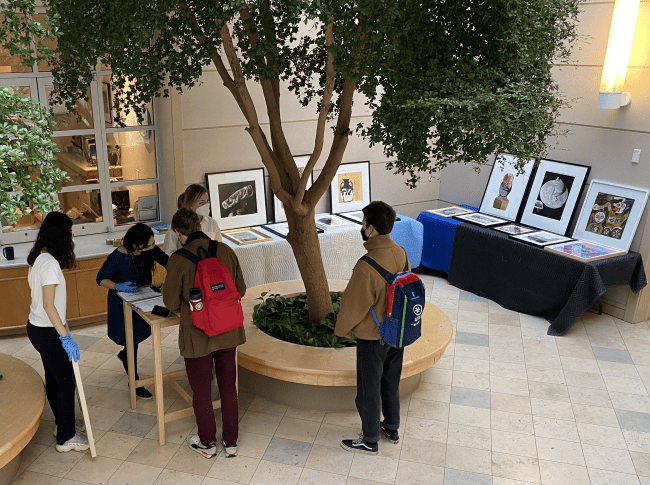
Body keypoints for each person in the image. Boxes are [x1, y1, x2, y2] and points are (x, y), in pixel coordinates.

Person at [163, 208, 246, 459]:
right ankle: (230, 442)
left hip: (198, 334)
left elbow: (169, 302)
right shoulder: (225, 250)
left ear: (178, 233)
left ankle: (207, 443)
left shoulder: (177, 260)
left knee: (201, 391)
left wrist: (193, 311)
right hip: (228, 330)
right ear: (200, 225)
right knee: (228, 387)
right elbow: (240, 288)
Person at [334, 201, 408, 455]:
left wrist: (340, 331)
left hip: (373, 336)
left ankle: (369, 439)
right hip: (397, 331)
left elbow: (353, 305)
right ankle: (392, 427)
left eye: (363, 222)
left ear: (372, 228)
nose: (361, 226)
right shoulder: (400, 252)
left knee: (369, 387)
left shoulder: (366, 265)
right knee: (390, 380)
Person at [26, 212, 90, 453]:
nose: (72, 238)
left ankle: (62, 424)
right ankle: (66, 437)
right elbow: (48, 304)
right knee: (65, 382)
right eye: (70, 234)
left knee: (53, 378)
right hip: (48, 331)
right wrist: (64, 336)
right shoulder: (51, 264)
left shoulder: (39, 258)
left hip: (36, 328)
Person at [97, 223, 169, 399]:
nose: (153, 248)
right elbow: (100, 278)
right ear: (136, 246)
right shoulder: (117, 257)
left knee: (137, 335)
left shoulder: (149, 250)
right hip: (122, 303)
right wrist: (117, 286)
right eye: (149, 245)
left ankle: (125, 356)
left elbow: (169, 262)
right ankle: (134, 381)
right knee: (131, 341)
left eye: (153, 244)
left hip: (143, 299)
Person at [163, 184, 222, 255]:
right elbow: (168, 253)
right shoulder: (178, 224)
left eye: (207, 201)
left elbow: (219, 248)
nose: (206, 205)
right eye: (201, 203)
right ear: (190, 204)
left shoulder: (212, 223)